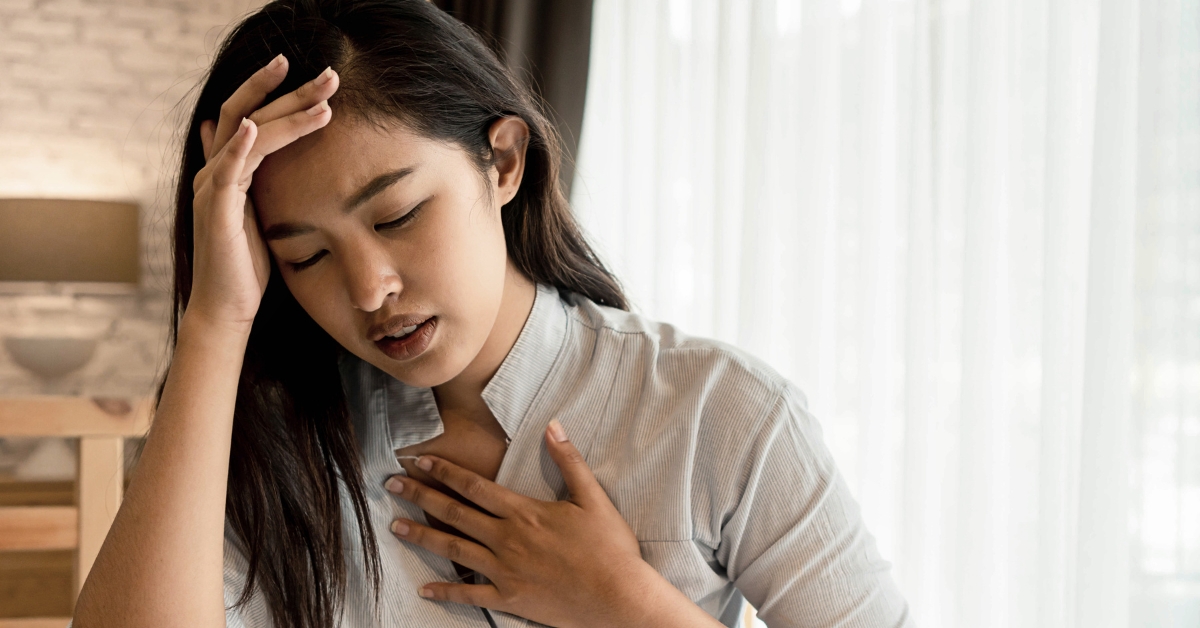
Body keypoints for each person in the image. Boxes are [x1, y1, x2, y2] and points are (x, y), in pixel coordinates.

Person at [71, 1, 913, 627]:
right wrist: (216, 322)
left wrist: (626, 605)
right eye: (306, 256)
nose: (369, 289)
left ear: (502, 162)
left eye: (396, 215)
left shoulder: (717, 413)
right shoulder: (274, 444)